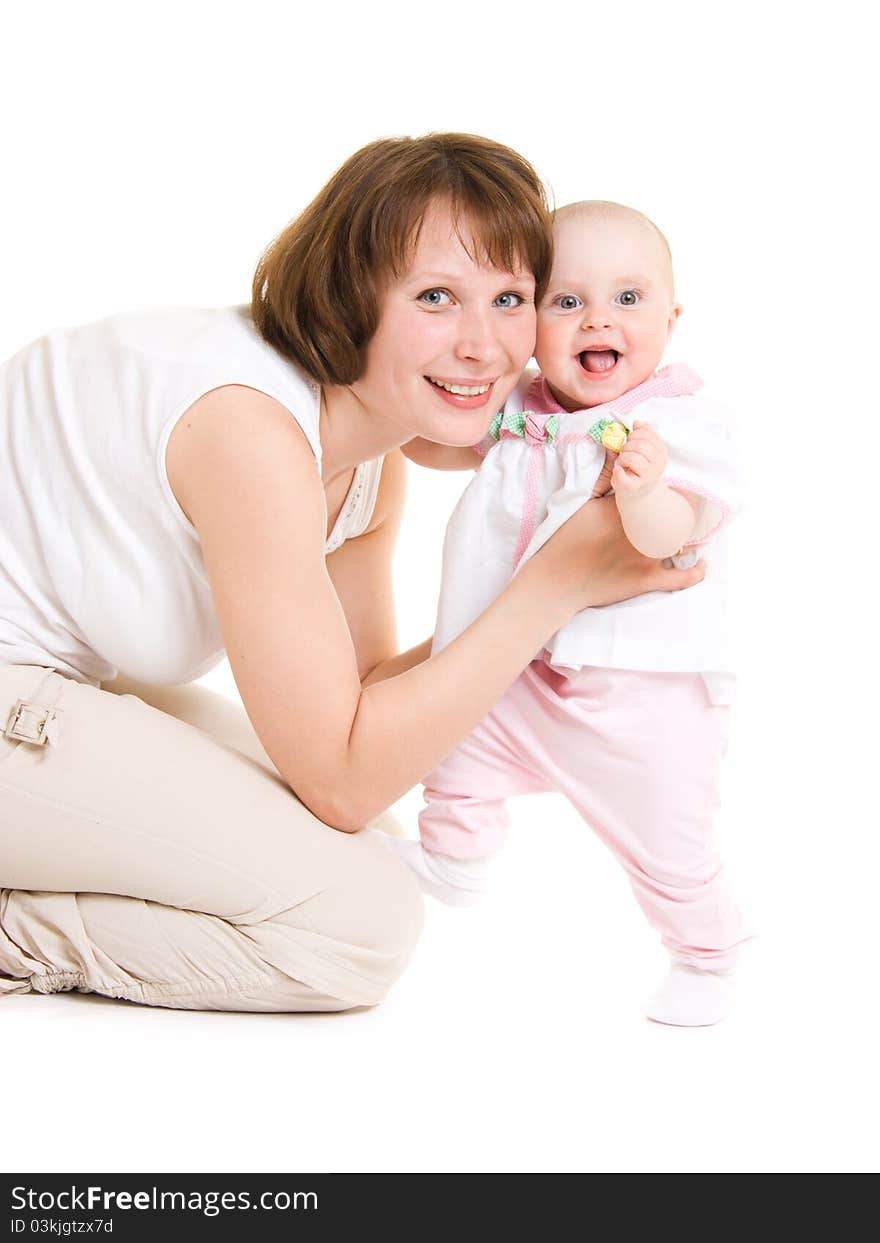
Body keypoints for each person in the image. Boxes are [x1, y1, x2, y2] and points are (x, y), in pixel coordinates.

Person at [0, 139, 706, 1013]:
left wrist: (571, 583)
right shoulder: (252, 431)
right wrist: (550, 587)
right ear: (348, 298)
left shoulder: (368, 451)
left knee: (366, 845)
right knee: (354, 927)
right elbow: (341, 772)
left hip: (49, 685)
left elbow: (366, 707)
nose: (483, 345)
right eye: (437, 296)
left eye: (512, 299)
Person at [385, 200, 753, 1026]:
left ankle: (705, 954)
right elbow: (436, 443)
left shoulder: (676, 425)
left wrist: (645, 493)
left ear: (672, 317)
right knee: (450, 738)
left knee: (668, 839)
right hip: (513, 667)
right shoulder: (521, 406)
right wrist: (397, 402)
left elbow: (675, 540)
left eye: (629, 299)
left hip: (637, 693)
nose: (599, 319)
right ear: (531, 326)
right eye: (566, 300)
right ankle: (456, 855)